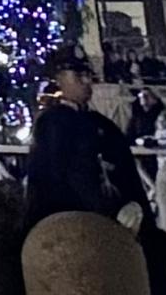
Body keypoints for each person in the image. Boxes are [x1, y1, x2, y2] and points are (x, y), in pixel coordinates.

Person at [25, 60, 144, 233]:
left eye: (89, 75)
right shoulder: (52, 124)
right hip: (69, 226)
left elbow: (126, 172)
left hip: (111, 223)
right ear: (60, 79)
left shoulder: (101, 124)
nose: (87, 81)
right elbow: (54, 178)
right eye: (79, 76)